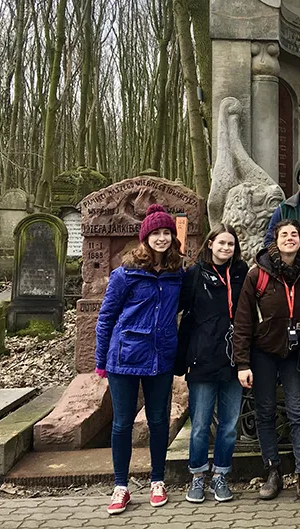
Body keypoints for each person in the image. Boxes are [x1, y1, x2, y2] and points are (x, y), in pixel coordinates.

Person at [95, 204, 184, 515]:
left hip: (161, 356)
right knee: (122, 423)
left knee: (158, 421)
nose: (162, 238)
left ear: (173, 237)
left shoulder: (177, 273)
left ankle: (157, 480)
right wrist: (101, 358)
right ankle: (121, 486)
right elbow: (106, 317)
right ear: (145, 238)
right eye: (156, 233)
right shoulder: (125, 273)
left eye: (167, 233)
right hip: (125, 356)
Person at [233, 219, 300, 510]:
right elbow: (243, 320)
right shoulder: (257, 274)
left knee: (298, 412)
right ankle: (272, 470)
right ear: (275, 239)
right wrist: (242, 361)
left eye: (295, 234)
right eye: (284, 234)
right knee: (266, 412)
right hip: (263, 352)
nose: (290, 239)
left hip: (296, 352)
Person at [175, 224, 249, 503]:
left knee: (229, 424)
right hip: (202, 357)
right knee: (201, 424)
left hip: (234, 357)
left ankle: (221, 475)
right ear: (210, 244)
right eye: (221, 243)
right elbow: (178, 308)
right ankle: (197, 476)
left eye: (230, 244)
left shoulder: (242, 273)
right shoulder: (194, 274)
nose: (226, 248)